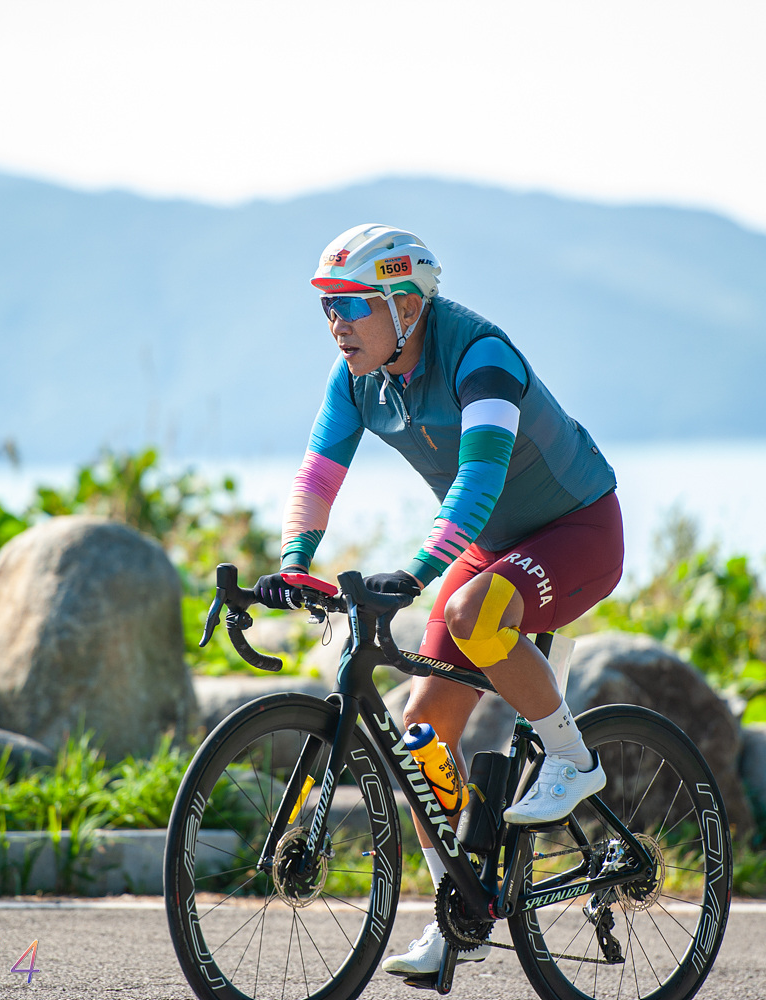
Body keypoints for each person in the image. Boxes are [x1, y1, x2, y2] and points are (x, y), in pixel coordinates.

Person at [253, 223, 624, 979]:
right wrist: (293, 563)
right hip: (489, 548)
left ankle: (571, 757)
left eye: (351, 304)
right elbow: (318, 474)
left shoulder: (481, 358)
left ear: (406, 305)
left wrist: (418, 573)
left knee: (470, 614)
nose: (336, 323)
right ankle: (460, 914)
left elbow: (480, 477)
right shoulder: (355, 378)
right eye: (327, 306)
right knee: (421, 735)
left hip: (578, 530)